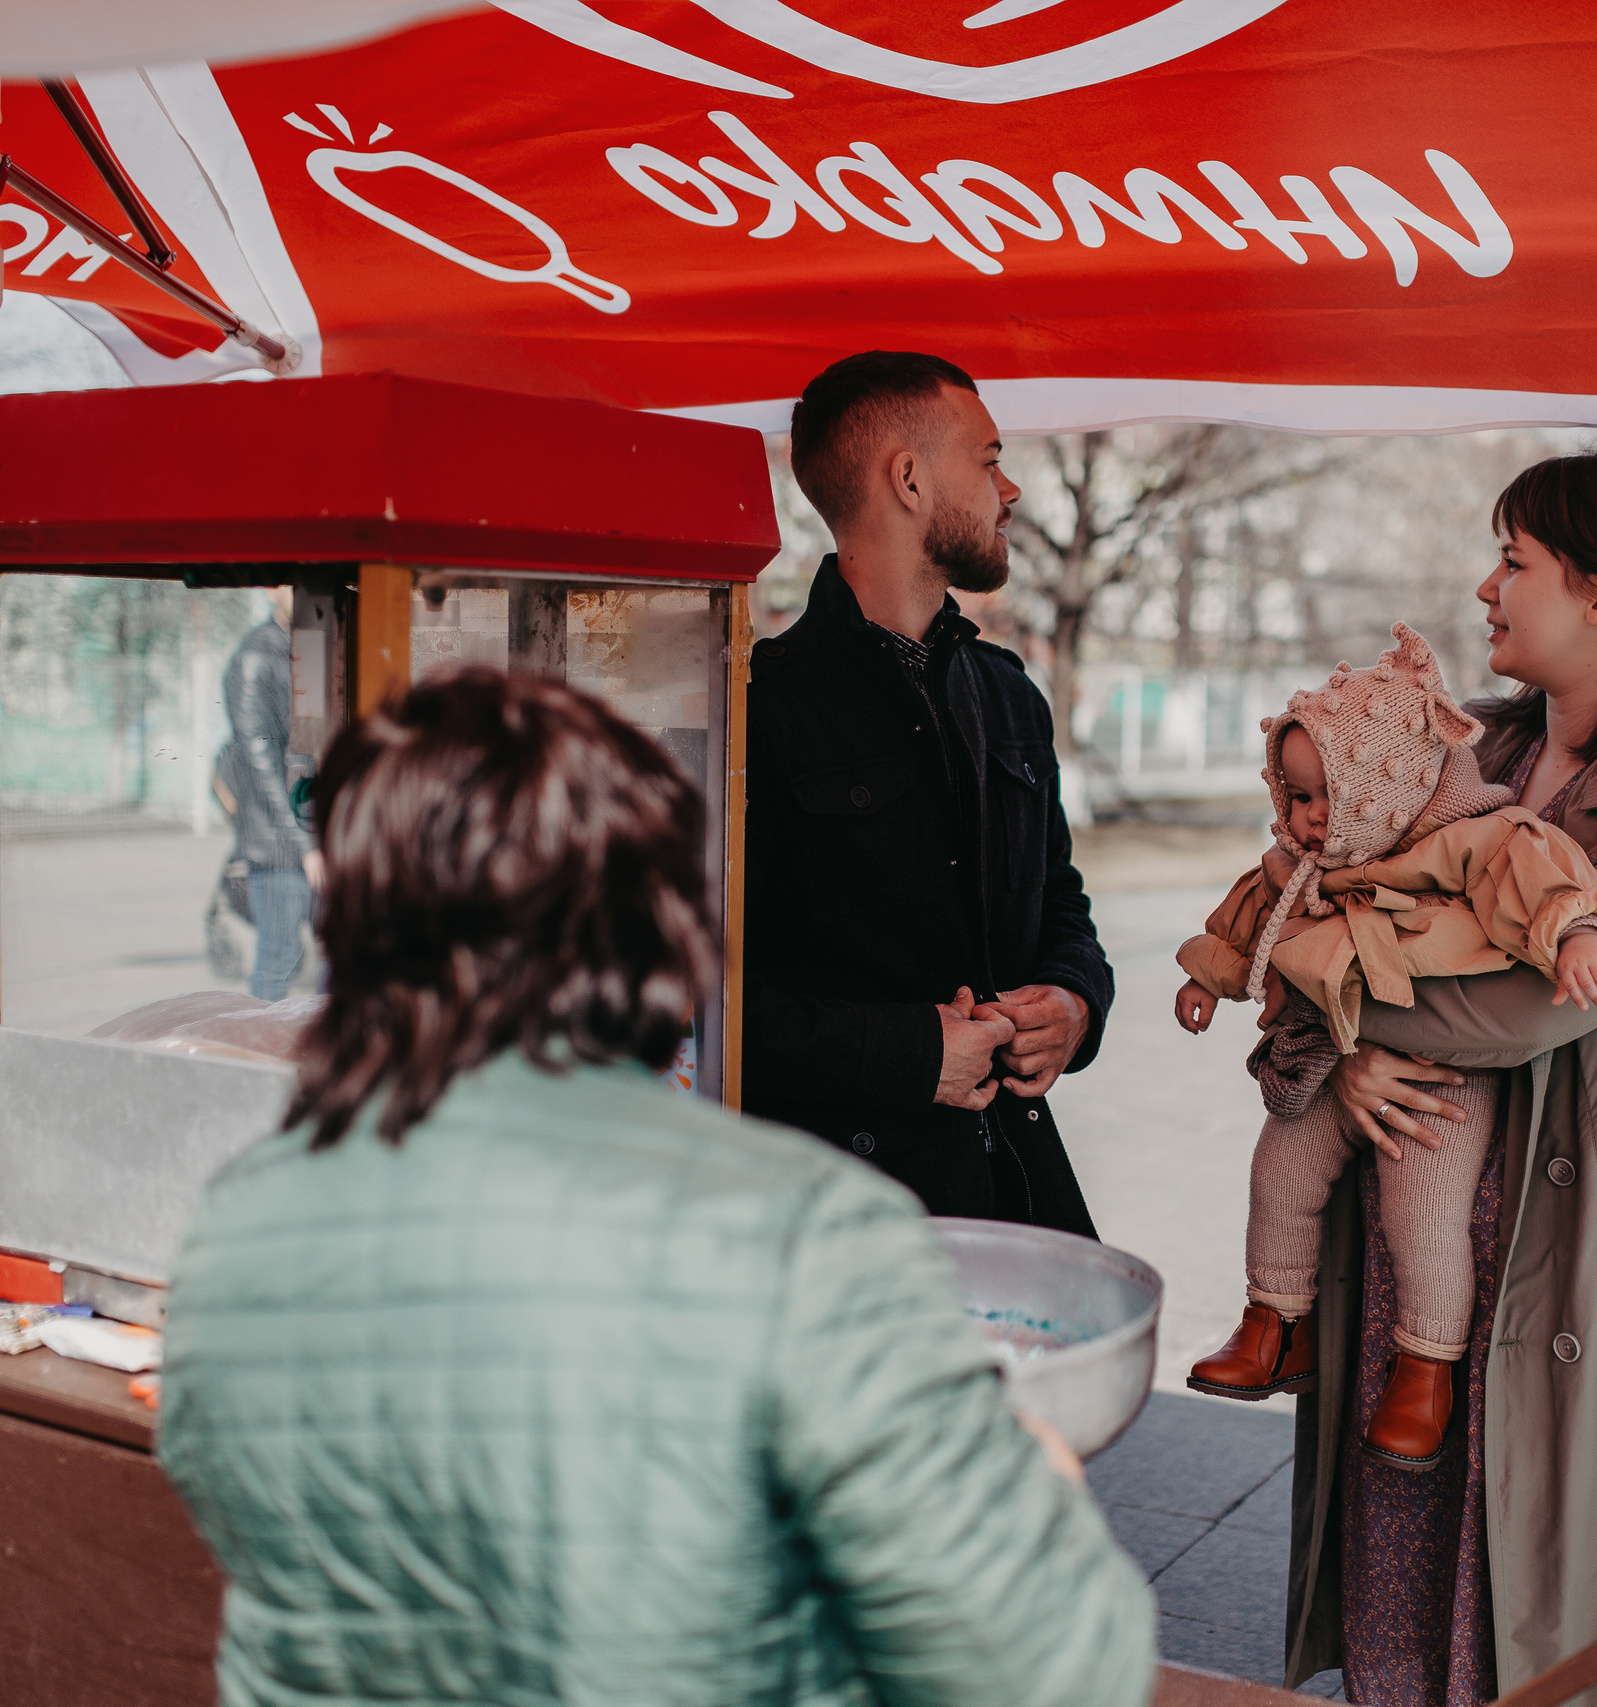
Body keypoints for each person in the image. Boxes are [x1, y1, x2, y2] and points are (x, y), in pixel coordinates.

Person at [157, 668, 1157, 1707]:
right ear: (664, 917)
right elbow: (1059, 1669)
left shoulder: (245, 1216)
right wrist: (1031, 1475)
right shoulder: (806, 1235)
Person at [1286, 450, 1597, 1703]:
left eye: (1515, 560)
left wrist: (1358, 1030)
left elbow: (1530, 1005)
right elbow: (1303, 907)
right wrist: (1331, 1056)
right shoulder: (1463, 749)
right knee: (1402, 1552)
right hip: (1420, 1218)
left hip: (1581, 1234)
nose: (1485, 587)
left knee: (1559, 1591)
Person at [1170, 623, 1597, 1473]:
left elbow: (1536, 871)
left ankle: (1427, 1367)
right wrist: (1212, 972)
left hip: (1441, 1077)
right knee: (1281, 1172)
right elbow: (1250, 909)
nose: (1302, 820)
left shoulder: (1470, 838)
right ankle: (1275, 1322)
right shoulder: (1304, 860)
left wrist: (1575, 935)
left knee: (1426, 1212)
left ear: (1387, 789)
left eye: (1318, 799)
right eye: (1293, 796)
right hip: (1332, 1061)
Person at [743, 351, 1113, 1233]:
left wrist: (1073, 1002)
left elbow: (1063, 905)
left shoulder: (1009, 693)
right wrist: (911, 1055)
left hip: (1021, 1196)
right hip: (844, 1228)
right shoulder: (759, 712)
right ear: (908, 479)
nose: (1010, 488)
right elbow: (706, 1007)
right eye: (988, 460)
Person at [222, 585, 315, 1000]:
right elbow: (261, 766)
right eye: (292, 584)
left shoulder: (315, 645)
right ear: (270, 588)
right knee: (279, 960)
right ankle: (259, 1060)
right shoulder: (254, 657)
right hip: (279, 848)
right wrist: (305, 845)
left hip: (314, 838)